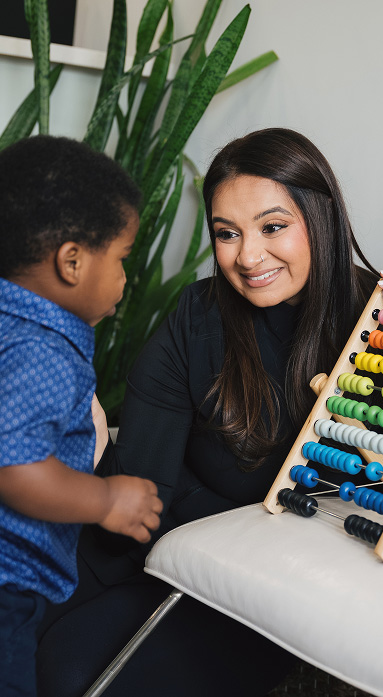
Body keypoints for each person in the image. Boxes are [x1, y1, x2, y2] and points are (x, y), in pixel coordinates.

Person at [36, 128, 383, 697]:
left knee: (71, 673)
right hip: (147, 539)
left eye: (273, 226)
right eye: (227, 233)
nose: (248, 256)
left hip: (255, 586)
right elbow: (141, 486)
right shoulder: (196, 315)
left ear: (322, 219)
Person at [0, 135, 163, 697]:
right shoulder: (42, 352)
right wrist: (107, 500)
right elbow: (15, 468)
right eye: (121, 260)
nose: (125, 279)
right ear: (71, 262)